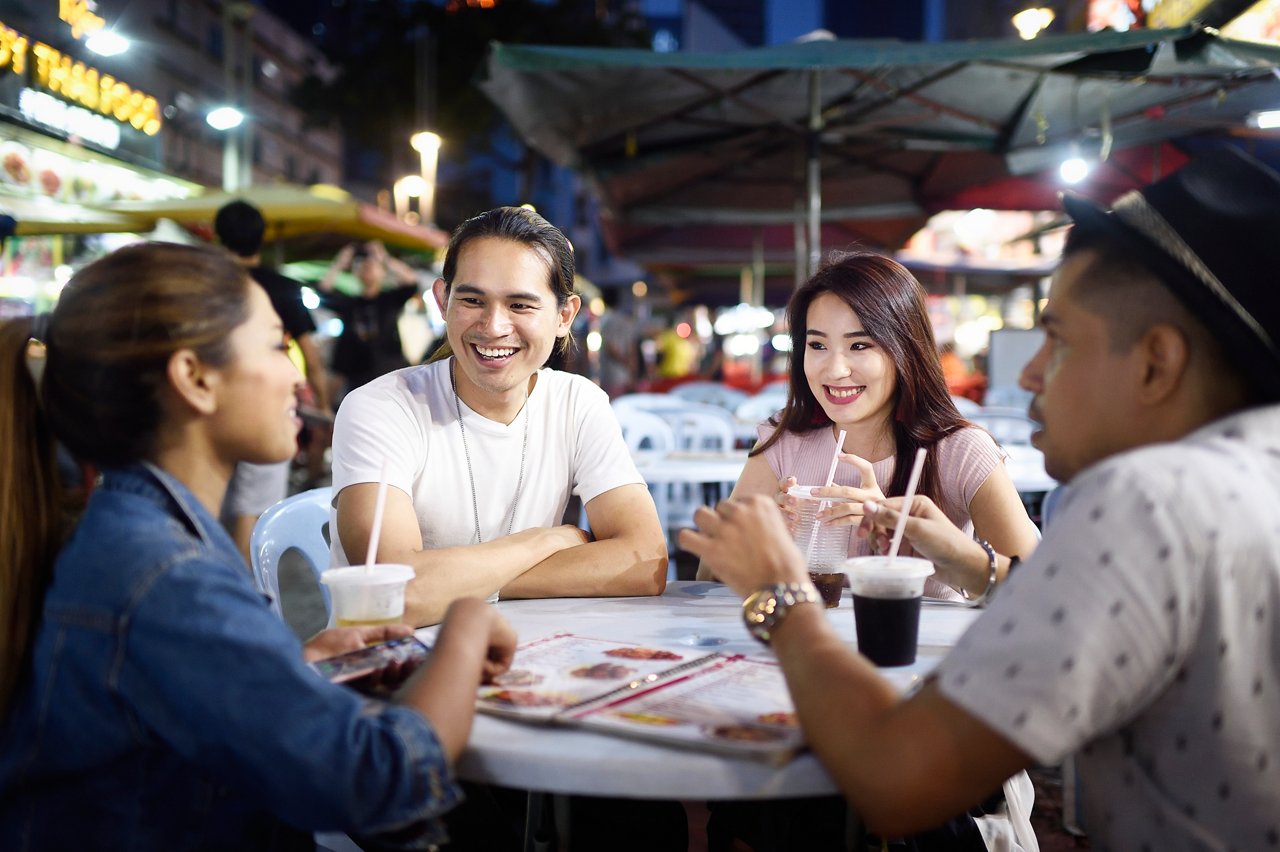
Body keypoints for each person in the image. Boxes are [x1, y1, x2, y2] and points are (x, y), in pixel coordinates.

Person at [680, 149, 1280, 850]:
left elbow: (899, 780)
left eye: (1055, 339)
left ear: (1157, 362)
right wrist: (965, 562)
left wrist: (780, 597)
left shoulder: (1143, 501)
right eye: (816, 344)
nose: (1026, 373)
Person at [0, 242, 517, 849]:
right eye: (277, 345)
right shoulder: (165, 574)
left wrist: (289, 668)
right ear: (195, 378)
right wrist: (467, 623)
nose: (299, 375)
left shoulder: (141, 535)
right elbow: (376, 778)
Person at [330, 207, 667, 628]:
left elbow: (644, 560)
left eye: (520, 305)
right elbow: (396, 594)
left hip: (531, 654)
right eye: (472, 300)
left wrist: (454, 580)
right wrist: (545, 541)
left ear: (564, 317)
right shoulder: (381, 408)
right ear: (442, 300)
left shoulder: (578, 403)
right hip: (398, 667)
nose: (493, 327)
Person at [698, 252, 1040, 602]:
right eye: (817, 345)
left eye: (859, 345)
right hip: (801, 646)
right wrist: (757, 538)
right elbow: (706, 583)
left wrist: (907, 534)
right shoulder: (784, 442)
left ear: (906, 349)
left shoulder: (960, 451)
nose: (834, 370)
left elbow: (1038, 591)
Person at [214, 199, 333, 562]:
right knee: (255, 510)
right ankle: (243, 598)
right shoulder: (282, 289)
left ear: (218, 236)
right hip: (265, 407)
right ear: (262, 238)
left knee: (211, 505)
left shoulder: (205, 286)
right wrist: (324, 407)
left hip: (210, 407)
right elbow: (311, 356)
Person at [319, 239, 422, 398]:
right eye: (361, 264)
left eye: (372, 264)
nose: (367, 266)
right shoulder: (350, 304)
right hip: (357, 380)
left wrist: (384, 258)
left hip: (391, 377)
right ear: (355, 272)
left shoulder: (389, 299)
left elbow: (411, 282)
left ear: (383, 272)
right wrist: (340, 263)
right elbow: (323, 291)